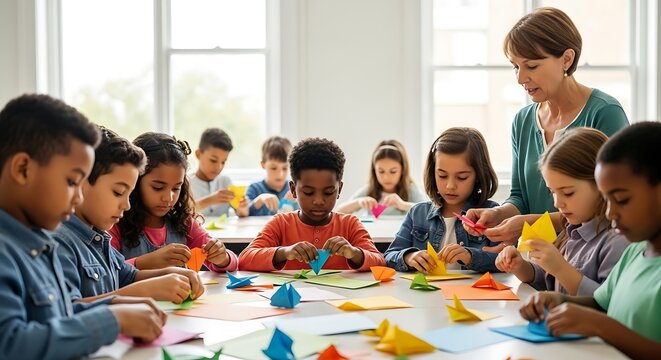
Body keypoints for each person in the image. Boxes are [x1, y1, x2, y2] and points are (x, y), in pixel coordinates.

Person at [0, 94, 165, 359]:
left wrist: (113, 306)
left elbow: (58, 317)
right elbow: (10, 344)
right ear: (22, 169)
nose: (78, 197)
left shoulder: (40, 243)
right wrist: (110, 320)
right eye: (72, 182)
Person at [465, 7, 629, 251]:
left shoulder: (604, 113)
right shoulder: (522, 121)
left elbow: (612, 204)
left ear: (566, 59)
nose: (521, 78)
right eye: (515, 66)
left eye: (531, 66)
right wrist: (499, 214)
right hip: (535, 262)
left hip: (593, 259)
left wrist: (530, 223)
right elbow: (520, 197)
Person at [519, 122, 661, 360]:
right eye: (606, 199)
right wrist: (560, 300)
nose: (609, 213)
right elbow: (601, 302)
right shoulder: (635, 252)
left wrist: (601, 327)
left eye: (622, 200)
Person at [54, 127, 204, 304]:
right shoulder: (59, 243)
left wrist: (172, 273)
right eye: (118, 192)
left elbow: (128, 275)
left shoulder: (99, 238)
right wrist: (142, 291)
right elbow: (67, 311)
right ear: (80, 183)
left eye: (129, 194)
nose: (127, 205)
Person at [496, 128, 628, 295]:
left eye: (568, 193)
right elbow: (548, 280)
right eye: (552, 191)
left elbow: (610, 305)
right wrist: (521, 267)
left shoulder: (617, 242)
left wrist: (560, 268)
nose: (557, 203)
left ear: (601, 184)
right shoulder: (572, 231)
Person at [238, 138, 386, 271]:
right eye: (308, 192)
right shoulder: (280, 223)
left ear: (339, 189)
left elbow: (379, 261)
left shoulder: (350, 224)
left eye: (328, 192)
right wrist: (284, 252)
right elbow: (244, 259)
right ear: (293, 190)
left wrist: (354, 253)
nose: (318, 201)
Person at [110, 132, 238, 272]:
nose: (169, 198)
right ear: (135, 181)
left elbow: (231, 264)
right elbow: (107, 274)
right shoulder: (115, 224)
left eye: (176, 188)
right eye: (158, 187)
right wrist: (145, 262)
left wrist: (222, 257)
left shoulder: (183, 223)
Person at [384, 128, 500, 273]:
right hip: (427, 293)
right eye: (442, 175)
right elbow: (389, 256)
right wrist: (409, 257)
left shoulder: (491, 213)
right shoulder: (417, 213)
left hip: (470, 294)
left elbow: (505, 260)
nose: (450, 186)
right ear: (433, 173)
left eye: (462, 177)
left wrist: (470, 256)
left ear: (478, 175)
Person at [336, 140, 426, 216]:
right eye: (381, 171)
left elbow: (429, 212)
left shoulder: (411, 190)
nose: (386, 177)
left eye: (393, 171)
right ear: (374, 171)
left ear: (402, 170)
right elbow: (338, 212)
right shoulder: (369, 190)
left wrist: (402, 205)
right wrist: (359, 202)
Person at [188, 128, 249, 217]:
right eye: (213, 160)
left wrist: (242, 208)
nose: (219, 167)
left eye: (223, 162)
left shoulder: (226, 182)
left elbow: (242, 214)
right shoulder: (186, 182)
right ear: (198, 154)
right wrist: (210, 200)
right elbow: (182, 213)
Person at [246, 136, 299, 216]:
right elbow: (244, 213)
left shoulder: (296, 189)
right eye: (273, 168)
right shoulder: (254, 189)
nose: (280, 174)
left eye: (285, 168)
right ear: (263, 165)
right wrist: (260, 200)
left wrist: (302, 200)